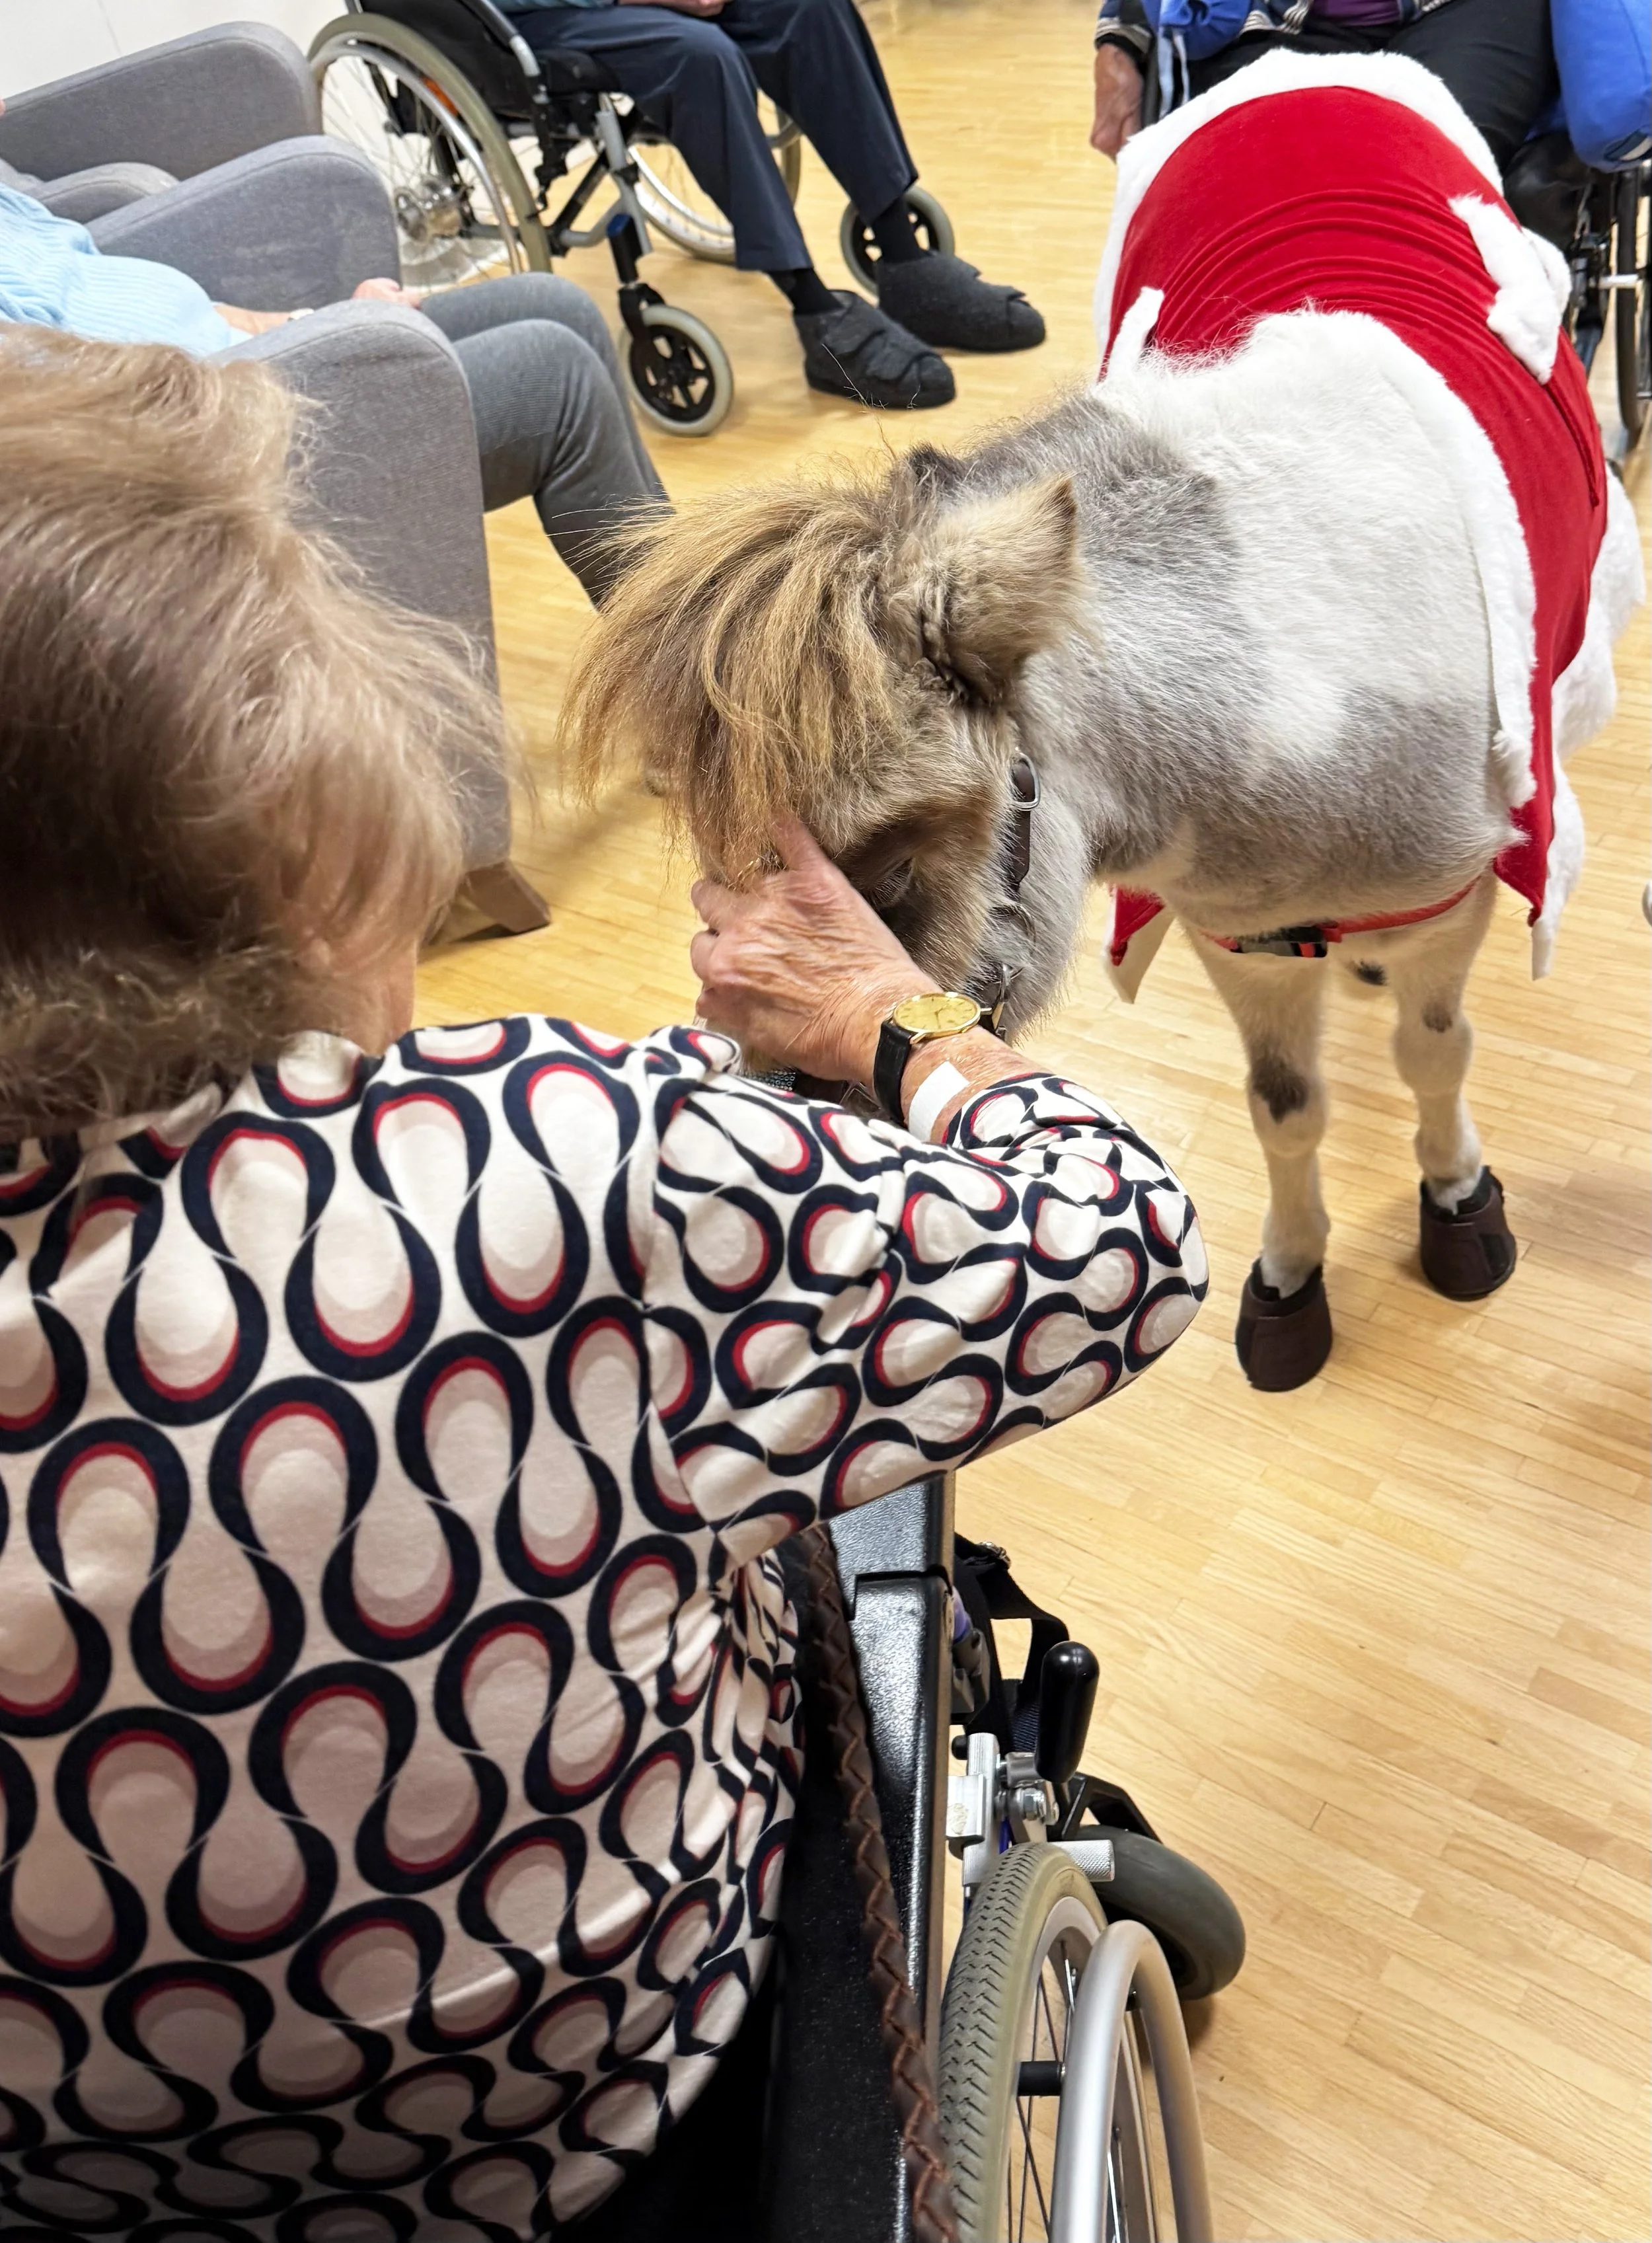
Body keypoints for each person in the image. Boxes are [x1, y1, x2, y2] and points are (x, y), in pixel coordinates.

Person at [0, 329, 1204, 2240]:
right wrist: (907, 1033)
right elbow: (1123, 1242)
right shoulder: (562, 1162)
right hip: (614, 2107)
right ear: (257, 832)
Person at [0, 165, 665, 604]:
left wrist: (322, 320)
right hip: (216, 449)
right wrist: (319, 350)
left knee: (553, 303)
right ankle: (699, 714)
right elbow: (79, 425)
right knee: (551, 377)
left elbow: (197, 314)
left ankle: (695, 630)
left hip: (264, 366)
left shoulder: (10, 202)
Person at [499, 0, 1045, 410]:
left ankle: (906, 260)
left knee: (810, 7)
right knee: (700, 57)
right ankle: (814, 309)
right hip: (528, 19)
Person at [1090, 0, 1559, 174]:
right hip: (1279, 22)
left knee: (1432, 164)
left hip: (1467, 12)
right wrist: (1122, 37)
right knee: (1257, 179)